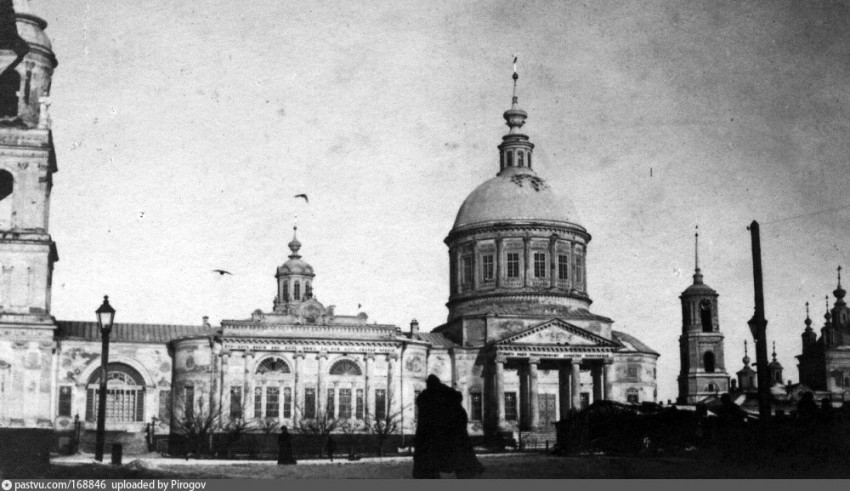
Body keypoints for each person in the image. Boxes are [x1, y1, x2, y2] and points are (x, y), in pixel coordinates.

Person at [413, 374, 484, 479]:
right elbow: (462, 417)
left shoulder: (426, 400)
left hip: (432, 441)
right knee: (460, 463)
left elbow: (422, 426)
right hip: (452, 438)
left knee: (429, 467)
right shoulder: (450, 398)